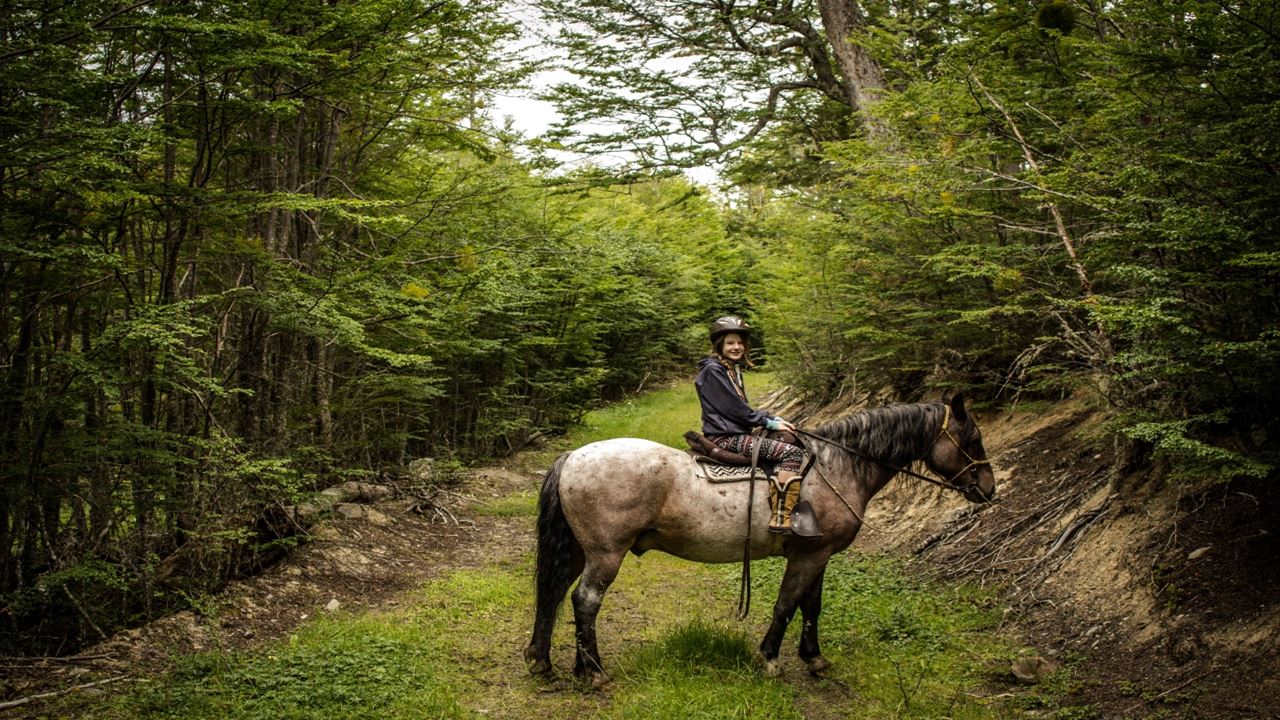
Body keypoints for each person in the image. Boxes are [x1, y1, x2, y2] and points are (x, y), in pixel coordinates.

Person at [692, 316, 817, 536]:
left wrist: (773, 419)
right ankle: (782, 517)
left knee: (789, 438)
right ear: (719, 345)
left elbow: (739, 407)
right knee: (792, 453)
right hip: (726, 437)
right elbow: (734, 409)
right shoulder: (714, 370)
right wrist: (768, 422)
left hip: (734, 431)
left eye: (740, 343)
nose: (736, 347)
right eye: (730, 343)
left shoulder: (729, 369)